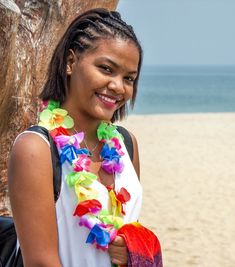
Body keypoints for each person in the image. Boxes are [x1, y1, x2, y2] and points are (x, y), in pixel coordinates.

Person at [8, 8, 161, 267]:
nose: (118, 86)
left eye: (129, 78)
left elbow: (126, 229)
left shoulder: (126, 144)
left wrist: (133, 251)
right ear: (70, 62)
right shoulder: (36, 149)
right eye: (106, 68)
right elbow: (41, 263)